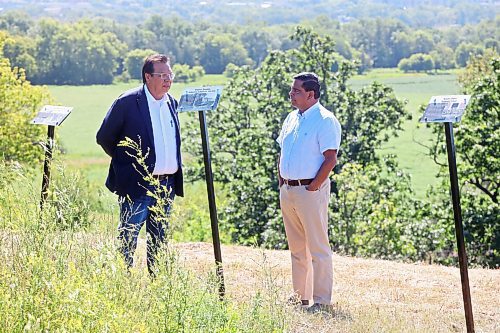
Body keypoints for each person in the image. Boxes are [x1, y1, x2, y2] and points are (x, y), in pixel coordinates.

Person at [96, 54, 183, 275]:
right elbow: (105, 137)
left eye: (169, 75)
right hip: (137, 184)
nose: (167, 80)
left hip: (166, 186)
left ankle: (158, 283)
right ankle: (122, 284)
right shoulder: (127, 102)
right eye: (162, 75)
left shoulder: (172, 103)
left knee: (159, 241)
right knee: (128, 237)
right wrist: (126, 163)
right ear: (147, 76)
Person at [276, 72, 341, 313]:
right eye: (292, 90)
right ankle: (300, 297)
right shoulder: (292, 117)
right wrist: (282, 180)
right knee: (296, 248)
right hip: (289, 190)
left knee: (318, 248)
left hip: (309, 191)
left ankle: (322, 301)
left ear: (311, 94)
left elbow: (330, 159)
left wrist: (313, 187)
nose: (291, 95)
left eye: (296, 91)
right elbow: (282, 149)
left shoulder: (325, 120)